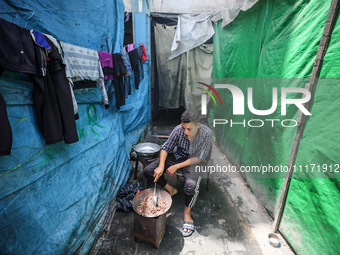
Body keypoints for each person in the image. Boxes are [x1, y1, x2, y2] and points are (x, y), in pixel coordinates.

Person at [144, 109, 212, 237]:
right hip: (178, 156)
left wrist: (177, 166)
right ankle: (171, 189)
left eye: (189, 129)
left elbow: (200, 158)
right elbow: (165, 148)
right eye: (183, 128)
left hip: (194, 161)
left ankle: (187, 214)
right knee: (148, 171)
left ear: (198, 125)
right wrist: (161, 165)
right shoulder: (178, 130)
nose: (186, 132)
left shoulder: (206, 134)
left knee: (191, 186)